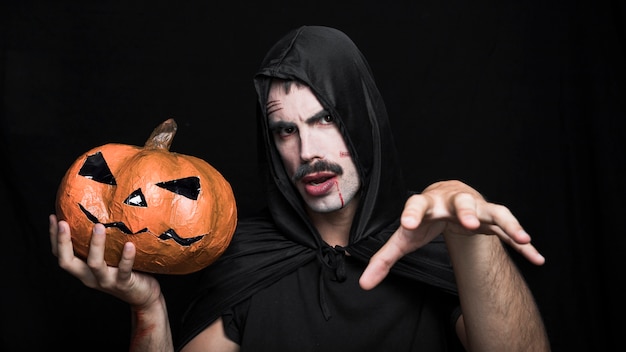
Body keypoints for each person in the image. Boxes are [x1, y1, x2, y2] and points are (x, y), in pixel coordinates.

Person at [49, 25, 550, 351]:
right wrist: (148, 308)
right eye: (286, 130)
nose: (308, 149)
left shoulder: (441, 252)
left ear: (364, 119)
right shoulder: (242, 259)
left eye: (326, 118)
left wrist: (469, 239)